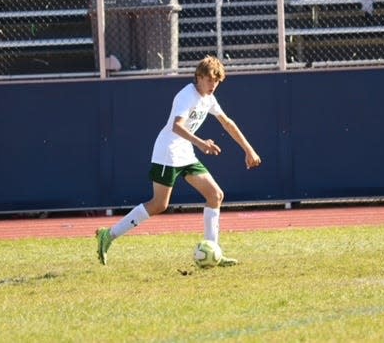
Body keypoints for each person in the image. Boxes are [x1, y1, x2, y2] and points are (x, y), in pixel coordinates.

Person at [95, 56, 262, 266]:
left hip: (184, 151)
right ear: (199, 77)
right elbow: (177, 127)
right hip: (167, 152)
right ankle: (108, 235)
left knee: (215, 195)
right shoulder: (187, 95)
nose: (213, 85)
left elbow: (228, 123)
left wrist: (249, 150)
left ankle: (214, 253)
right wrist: (201, 143)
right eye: (210, 80)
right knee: (159, 204)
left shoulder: (208, 99)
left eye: (217, 82)